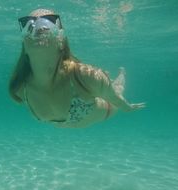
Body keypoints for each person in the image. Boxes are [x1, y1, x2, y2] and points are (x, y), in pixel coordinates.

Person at [9, 9, 145, 128]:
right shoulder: (20, 87)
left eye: (47, 23)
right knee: (106, 87)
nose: (38, 29)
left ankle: (122, 75)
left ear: (61, 41)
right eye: (28, 24)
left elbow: (113, 98)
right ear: (24, 46)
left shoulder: (85, 76)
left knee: (116, 91)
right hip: (63, 124)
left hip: (105, 110)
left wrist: (126, 107)